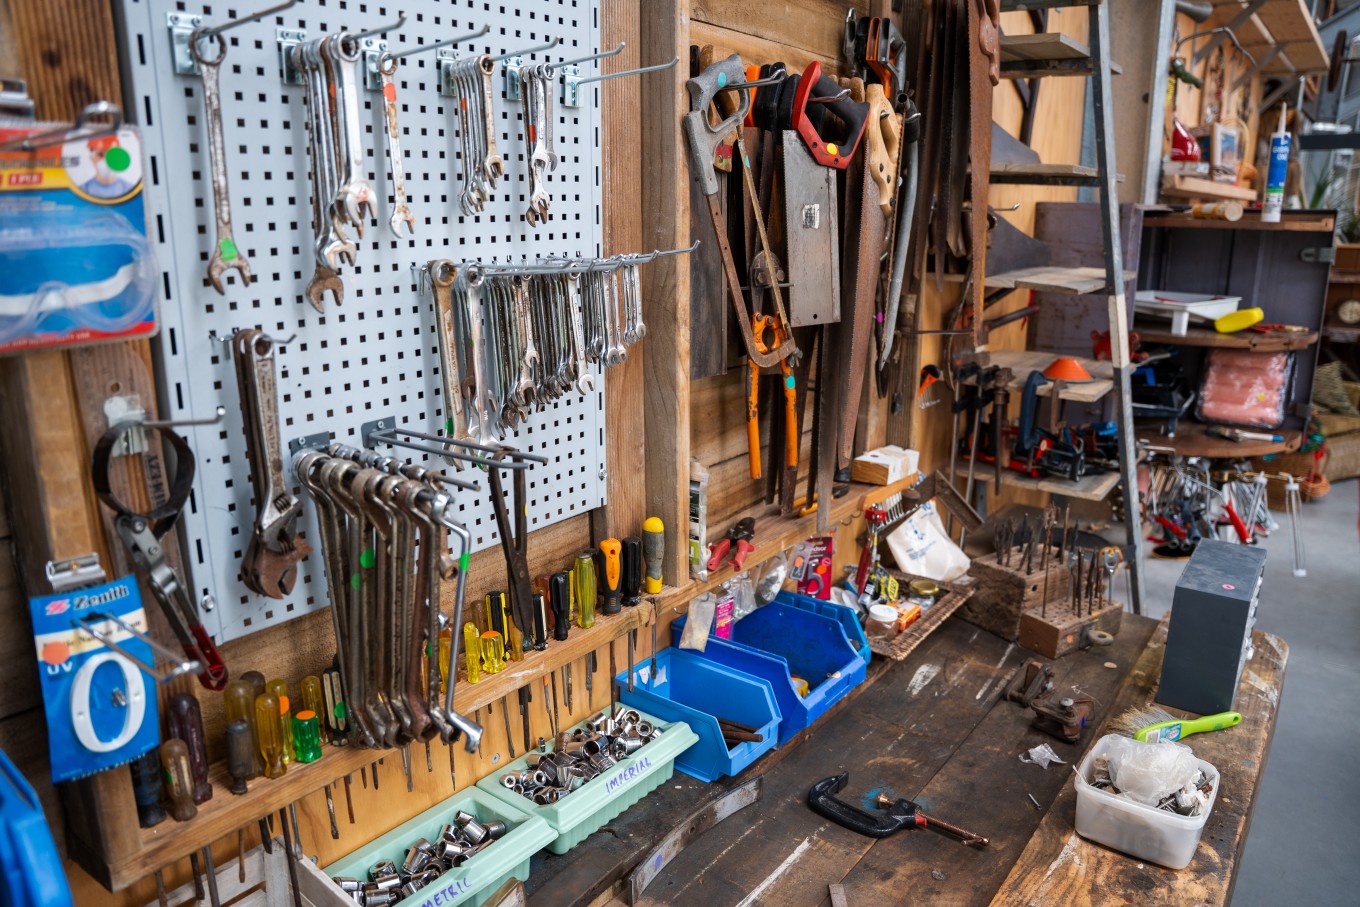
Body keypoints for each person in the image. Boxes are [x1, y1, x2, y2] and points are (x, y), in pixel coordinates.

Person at [80, 134, 135, 199]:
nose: (107, 160)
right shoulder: (82, 191)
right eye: (101, 155)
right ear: (92, 158)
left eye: (112, 154)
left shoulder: (131, 191)